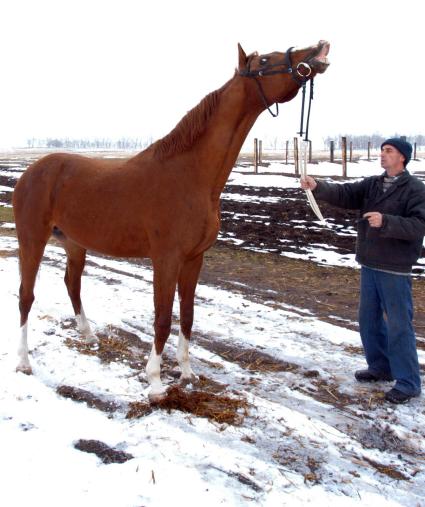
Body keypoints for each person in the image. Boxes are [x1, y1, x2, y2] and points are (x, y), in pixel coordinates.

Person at [301, 138, 425, 404]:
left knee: (399, 326)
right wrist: (318, 186)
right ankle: (381, 367)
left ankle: (408, 382)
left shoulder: (415, 189)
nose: (382, 155)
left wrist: (386, 221)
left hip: (395, 267)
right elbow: (346, 193)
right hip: (369, 263)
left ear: (402, 157)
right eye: (381, 150)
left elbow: (418, 226)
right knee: (369, 320)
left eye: (388, 151)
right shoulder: (373, 184)